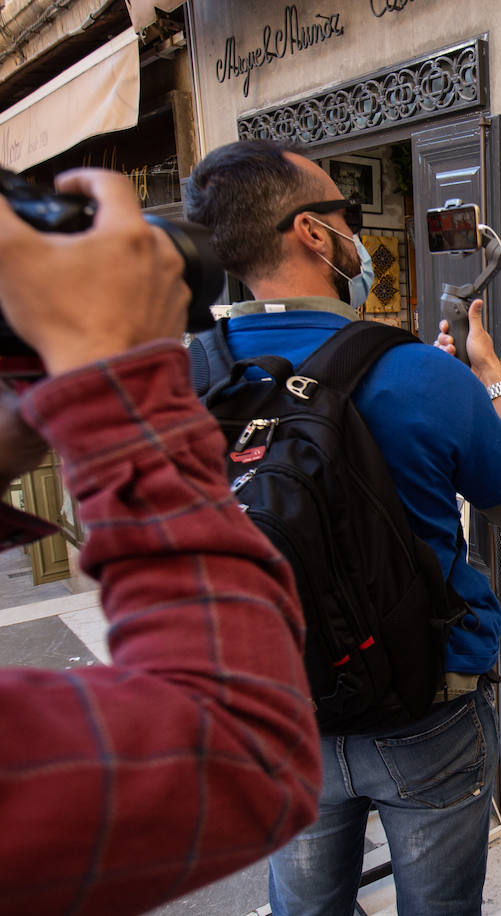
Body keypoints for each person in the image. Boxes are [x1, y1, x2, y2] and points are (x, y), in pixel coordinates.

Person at [184, 139, 501, 916]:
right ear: (314, 236)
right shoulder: (421, 373)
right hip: (424, 710)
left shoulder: (182, 376)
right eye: (343, 213)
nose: (354, 233)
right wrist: (487, 378)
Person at [0, 169, 321, 915]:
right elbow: (237, 749)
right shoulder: (412, 371)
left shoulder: (207, 362)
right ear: (313, 229)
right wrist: (112, 389)